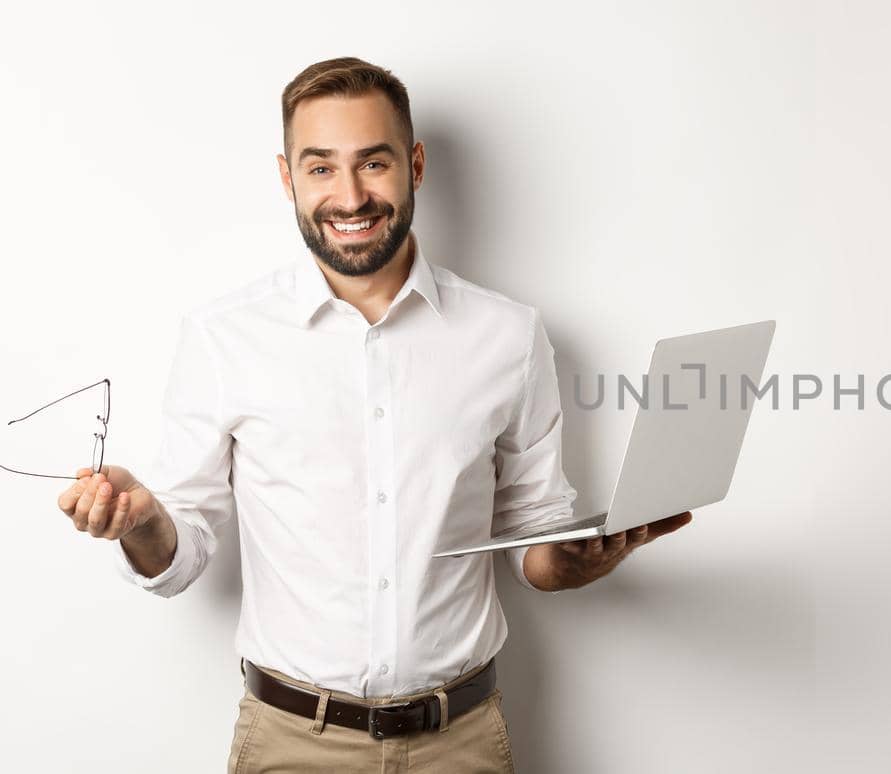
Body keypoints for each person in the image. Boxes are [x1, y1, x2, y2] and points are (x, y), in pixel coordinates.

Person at [49, 56, 692, 773]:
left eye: (373, 162)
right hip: (291, 744)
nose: (350, 196)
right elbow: (182, 554)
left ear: (414, 164)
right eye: (320, 168)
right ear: (288, 178)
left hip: (464, 743)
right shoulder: (224, 337)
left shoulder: (509, 337)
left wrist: (571, 561)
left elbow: (532, 538)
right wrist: (143, 523)